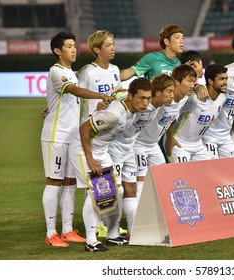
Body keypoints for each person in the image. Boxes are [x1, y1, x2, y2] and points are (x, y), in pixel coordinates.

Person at [41, 31, 113, 247]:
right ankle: (51, 233)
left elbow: (73, 97)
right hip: (56, 136)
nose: (74, 49)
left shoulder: (72, 72)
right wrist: (101, 95)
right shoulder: (56, 71)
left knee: (71, 183)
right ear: (57, 51)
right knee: (55, 182)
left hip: (73, 137)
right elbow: (73, 90)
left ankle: (68, 230)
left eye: (74, 45)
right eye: (69, 46)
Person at [68, 77, 153, 252]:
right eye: (141, 98)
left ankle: (113, 235)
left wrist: (112, 95)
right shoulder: (114, 115)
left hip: (102, 150)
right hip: (83, 150)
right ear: (131, 96)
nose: (145, 103)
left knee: (118, 190)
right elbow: (84, 128)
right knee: (95, 192)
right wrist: (90, 159)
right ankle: (91, 241)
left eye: (148, 98)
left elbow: (120, 93)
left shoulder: (129, 103)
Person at [107, 74, 175, 242]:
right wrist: (109, 98)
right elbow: (120, 96)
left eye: (148, 98)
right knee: (114, 190)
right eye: (169, 92)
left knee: (131, 190)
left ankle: (133, 231)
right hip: (114, 147)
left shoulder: (156, 106)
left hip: (129, 147)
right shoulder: (134, 103)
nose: (145, 102)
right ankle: (109, 232)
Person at [76, 30, 124, 238]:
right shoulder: (89, 72)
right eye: (109, 45)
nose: (113, 48)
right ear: (97, 50)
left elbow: (119, 95)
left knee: (110, 186)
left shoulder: (115, 70)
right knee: (97, 186)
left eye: (113, 44)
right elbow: (77, 96)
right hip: (92, 134)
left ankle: (106, 226)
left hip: (109, 133)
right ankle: (95, 230)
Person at [134, 64, 197, 197]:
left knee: (162, 179)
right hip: (138, 143)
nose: (193, 85)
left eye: (194, 82)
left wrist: (170, 137)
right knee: (139, 180)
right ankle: (136, 214)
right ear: (177, 82)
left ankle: (157, 211)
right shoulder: (159, 100)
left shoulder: (184, 99)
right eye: (189, 81)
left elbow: (171, 119)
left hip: (153, 145)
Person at [167, 64, 227, 163]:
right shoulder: (193, 99)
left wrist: (197, 86)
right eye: (222, 79)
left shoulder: (222, 98)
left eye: (226, 79)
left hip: (198, 145)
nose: (225, 82)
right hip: (180, 144)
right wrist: (169, 138)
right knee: (183, 177)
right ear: (211, 81)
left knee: (209, 173)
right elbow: (168, 116)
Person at [120, 24, 184, 81]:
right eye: (177, 38)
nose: (181, 41)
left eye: (182, 38)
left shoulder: (178, 63)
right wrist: (112, 75)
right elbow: (130, 71)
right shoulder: (152, 58)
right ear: (166, 41)